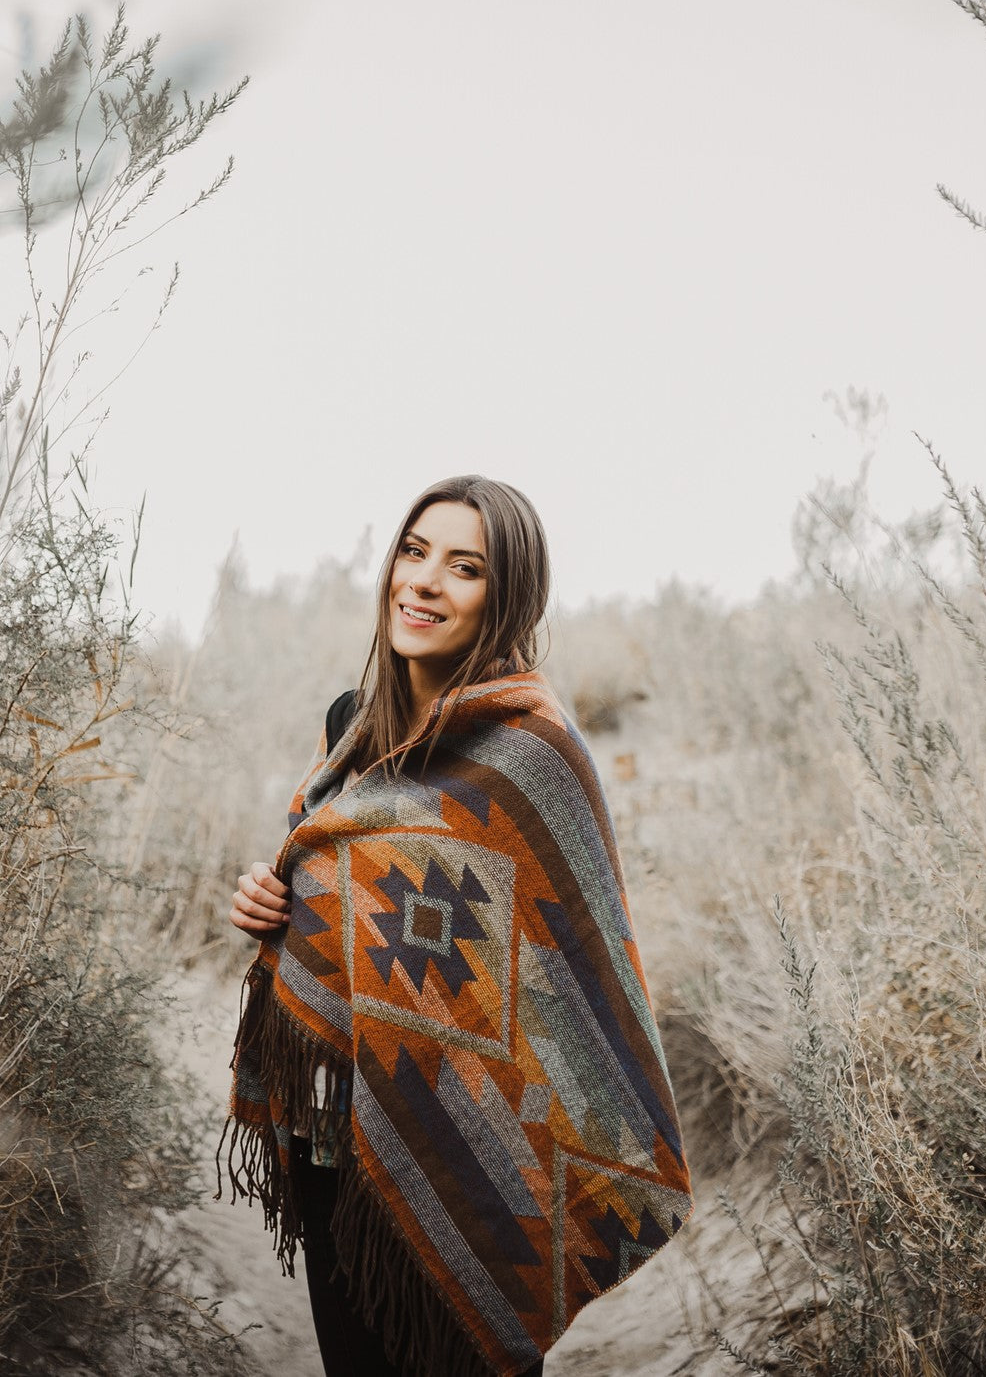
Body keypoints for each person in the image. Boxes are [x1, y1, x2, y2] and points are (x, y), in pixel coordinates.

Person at [221, 475, 693, 1377]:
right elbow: (345, 891)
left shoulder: (534, 757)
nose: (424, 582)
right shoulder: (349, 724)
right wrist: (270, 909)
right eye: (413, 551)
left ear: (506, 596)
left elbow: (573, 967)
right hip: (337, 1133)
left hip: (481, 1147)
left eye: (464, 567)